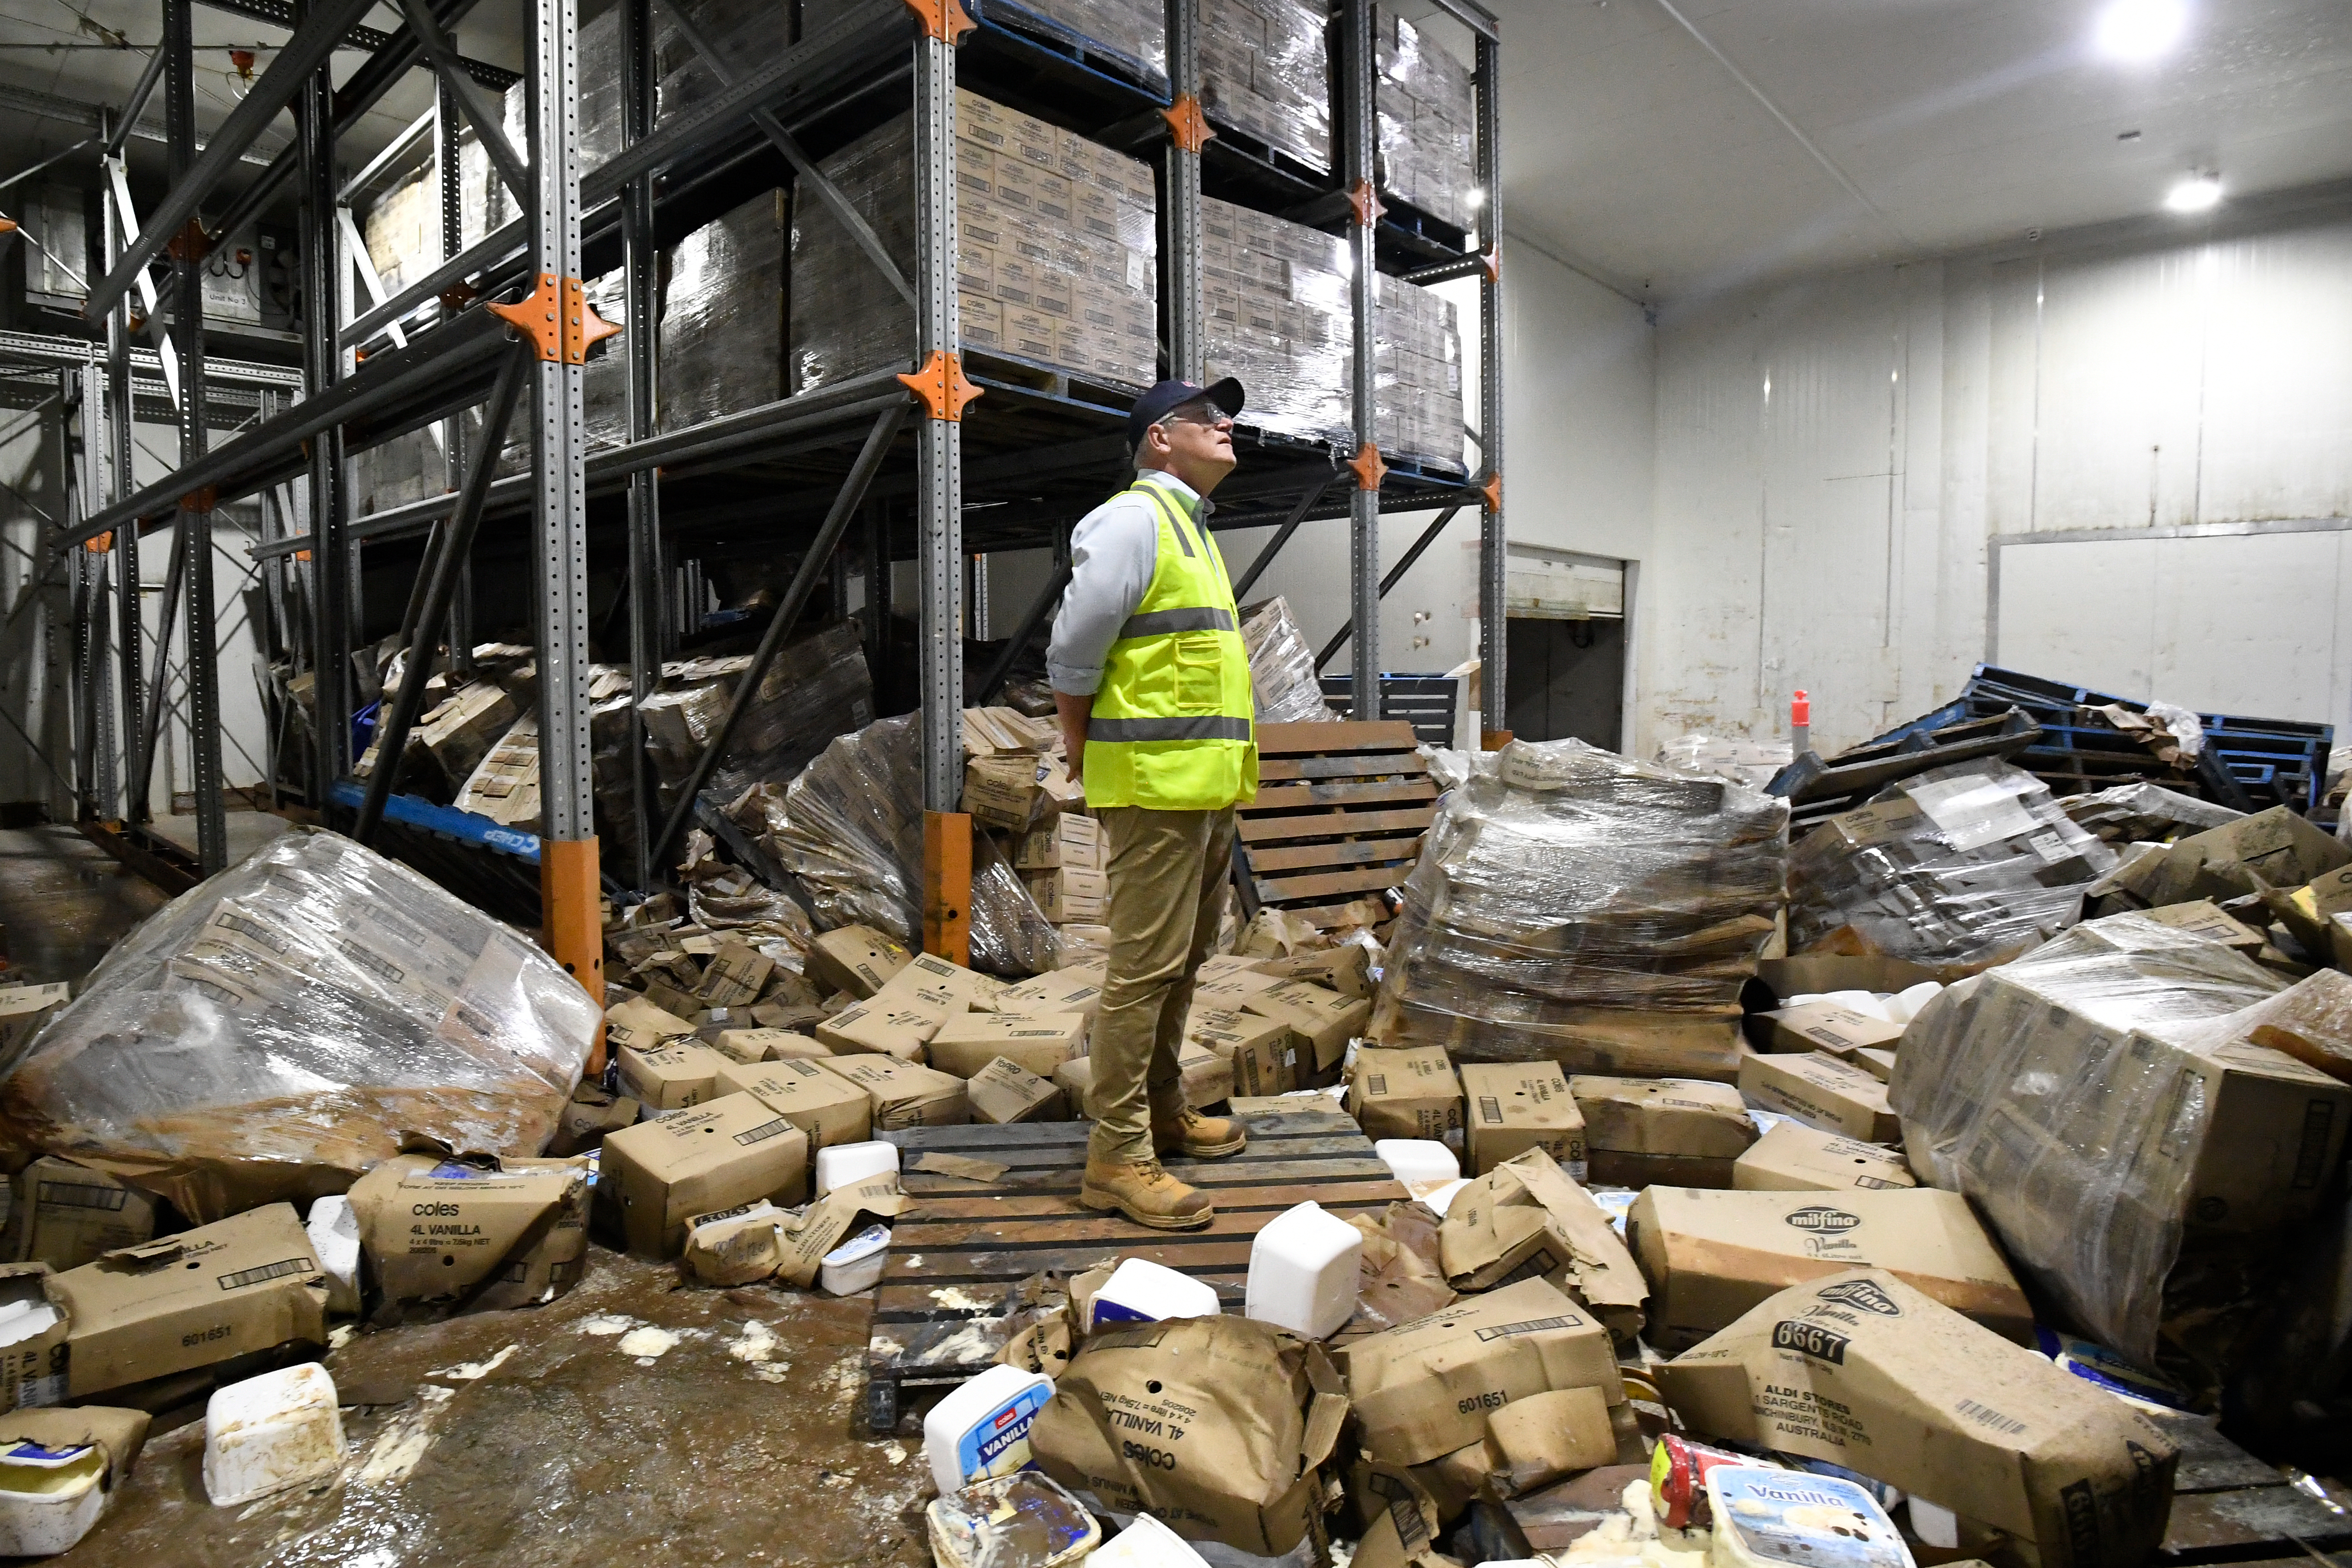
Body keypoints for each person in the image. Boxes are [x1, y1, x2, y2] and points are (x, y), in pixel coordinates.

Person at [1045, 376, 1256, 1230]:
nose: (1228, 426)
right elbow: (1073, 648)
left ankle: (1162, 1107)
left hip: (1201, 790)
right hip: (1154, 791)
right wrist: (1077, 743)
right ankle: (1117, 1153)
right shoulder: (1134, 519)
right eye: (1210, 418)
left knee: (1182, 959)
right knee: (1141, 970)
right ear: (1160, 439)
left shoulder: (1193, 530)